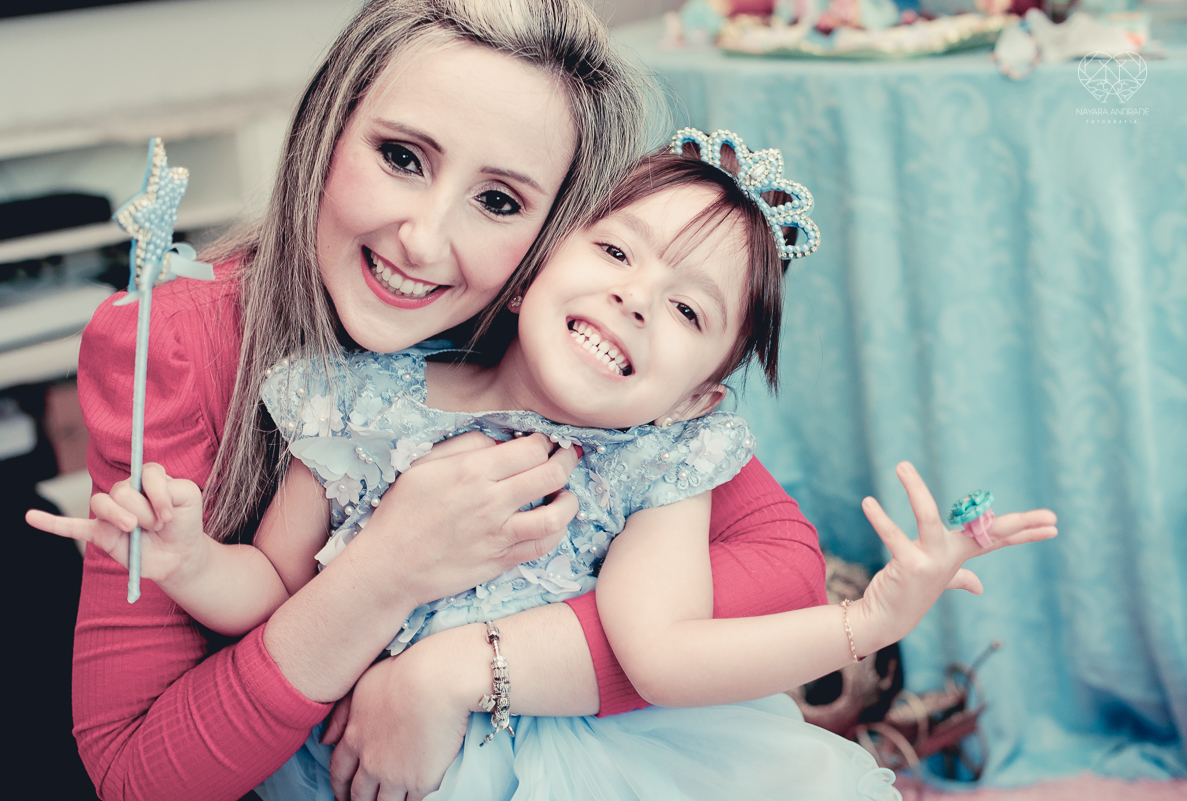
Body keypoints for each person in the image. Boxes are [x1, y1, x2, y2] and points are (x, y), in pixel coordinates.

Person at [35, 139, 1058, 800]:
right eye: (617, 253)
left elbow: (664, 654)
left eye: (691, 311)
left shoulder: (659, 463)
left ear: (699, 396)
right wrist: (182, 559)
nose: (636, 301)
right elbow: (270, 588)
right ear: (533, 269)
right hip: (352, 761)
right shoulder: (363, 396)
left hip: (584, 765)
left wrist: (866, 621)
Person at [34, 3, 835, 800]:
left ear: (552, 235)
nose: (421, 239)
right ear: (327, 128)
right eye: (402, 156)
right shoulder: (190, 347)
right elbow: (137, 775)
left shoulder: (573, 363)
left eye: (500, 202)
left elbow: (782, 565)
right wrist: (385, 571)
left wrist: (459, 671)